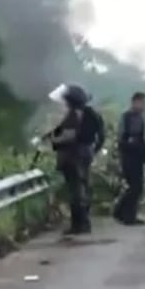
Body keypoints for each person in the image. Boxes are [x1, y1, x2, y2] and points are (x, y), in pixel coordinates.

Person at [48, 84, 96, 235]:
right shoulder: (84, 113)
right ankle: (83, 223)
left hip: (73, 156)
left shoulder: (73, 115)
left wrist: (54, 140)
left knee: (76, 190)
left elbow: (69, 136)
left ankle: (79, 224)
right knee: (82, 187)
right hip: (84, 154)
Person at [113, 91, 145, 225]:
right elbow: (120, 139)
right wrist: (130, 145)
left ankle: (124, 213)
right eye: (142, 102)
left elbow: (143, 141)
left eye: (144, 103)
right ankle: (125, 214)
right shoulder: (126, 117)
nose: (143, 106)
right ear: (135, 102)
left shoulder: (140, 118)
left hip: (138, 156)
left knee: (137, 188)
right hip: (128, 156)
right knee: (134, 187)